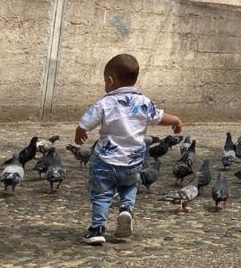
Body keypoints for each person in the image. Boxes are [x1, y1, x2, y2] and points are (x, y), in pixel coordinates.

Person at [75, 53, 183, 246]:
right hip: (132, 162)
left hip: (105, 162)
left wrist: (80, 132)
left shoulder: (105, 102)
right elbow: (159, 117)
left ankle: (97, 229)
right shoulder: (144, 102)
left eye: (104, 81)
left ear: (110, 80)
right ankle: (126, 209)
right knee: (130, 186)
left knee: (102, 194)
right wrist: (176, 120)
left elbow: (86, 122)